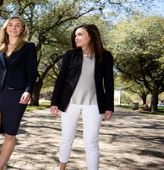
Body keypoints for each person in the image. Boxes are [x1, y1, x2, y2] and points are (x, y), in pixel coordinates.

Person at [50, 24, 114, 170]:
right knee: (67, 138)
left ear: (90, 36)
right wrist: (54, 102)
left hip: (94, 104)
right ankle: (62, 168)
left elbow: (109, 83)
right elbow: (61, 79)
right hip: (69, 103)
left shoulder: (105, 56)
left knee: (91, 141)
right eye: (75, 35)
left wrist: (109, 107)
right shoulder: (70, 55)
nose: (75, 37)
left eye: (80, 34)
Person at [0, 16, 37, 170]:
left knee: (10, 134)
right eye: (10, 25)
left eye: (18, 25)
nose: (14, 28)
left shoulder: (29, 47)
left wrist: (28, 90)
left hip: (17, 94)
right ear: (5, 28)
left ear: (23, 29)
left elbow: (32, 72)